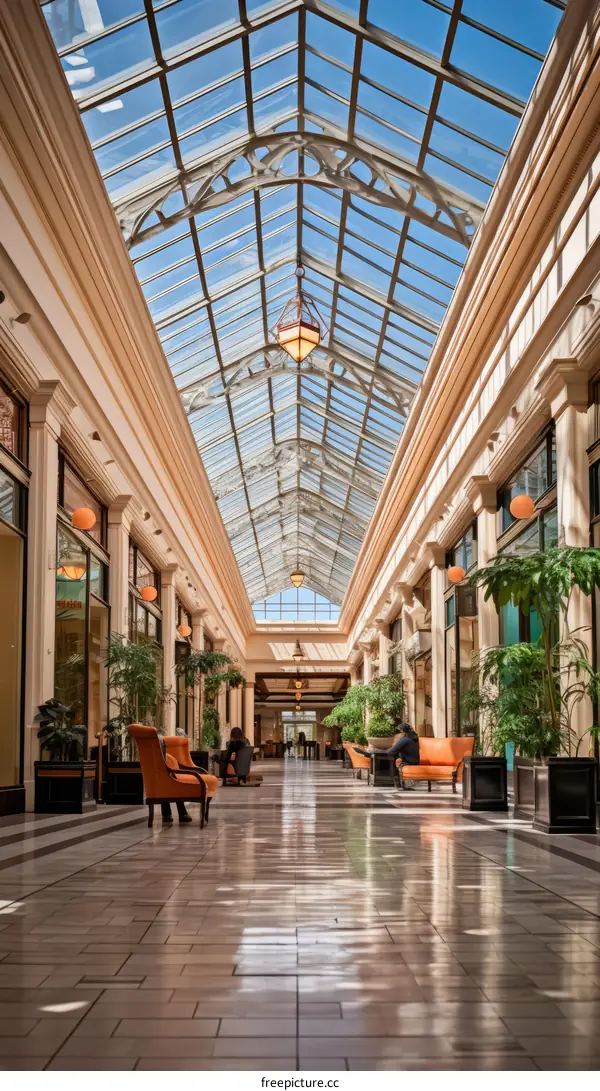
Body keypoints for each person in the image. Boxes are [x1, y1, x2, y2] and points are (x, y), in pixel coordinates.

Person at [354, 723, 420, 771]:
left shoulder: (405, 740)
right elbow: (394, 750)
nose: (397, 735)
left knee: (383, 754)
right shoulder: (409, 739)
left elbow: (392, 751)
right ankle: (370, 752)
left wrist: (378, 751)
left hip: (410, 762)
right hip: (412, 761)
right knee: (382, 753)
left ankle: (370, 753)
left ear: (403, 732)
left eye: (399, 732)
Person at [158, 735, 192, 823]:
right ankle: (180, 813)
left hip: (159, 775)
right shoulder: (164, 753)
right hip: (162, 774)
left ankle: (167, 814)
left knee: (167, 779)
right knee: (172, 780)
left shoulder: (163, 753)